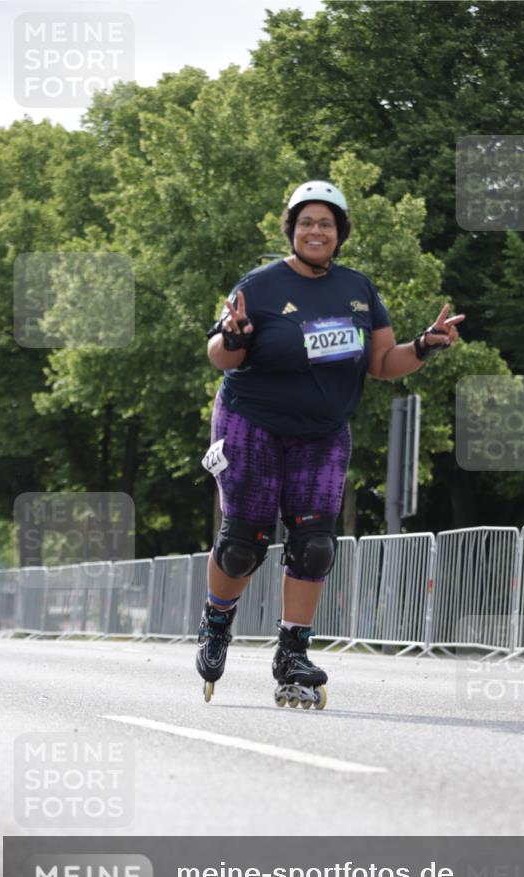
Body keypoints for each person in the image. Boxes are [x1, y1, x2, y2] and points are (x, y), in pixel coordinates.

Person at [198, 179, 465, 708]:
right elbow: (218, 356)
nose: (315, 231)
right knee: (241, 544)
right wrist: (234, 336)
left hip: (321, 434)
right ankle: (216, 620)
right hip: (251, 424)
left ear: (339, 232)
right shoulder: (261, 284)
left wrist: (425, 346)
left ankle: (292, 651)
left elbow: (384, 364)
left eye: (325, 223)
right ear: (292, 230)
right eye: (306, 222)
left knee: (315, 542)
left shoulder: (358, 291)